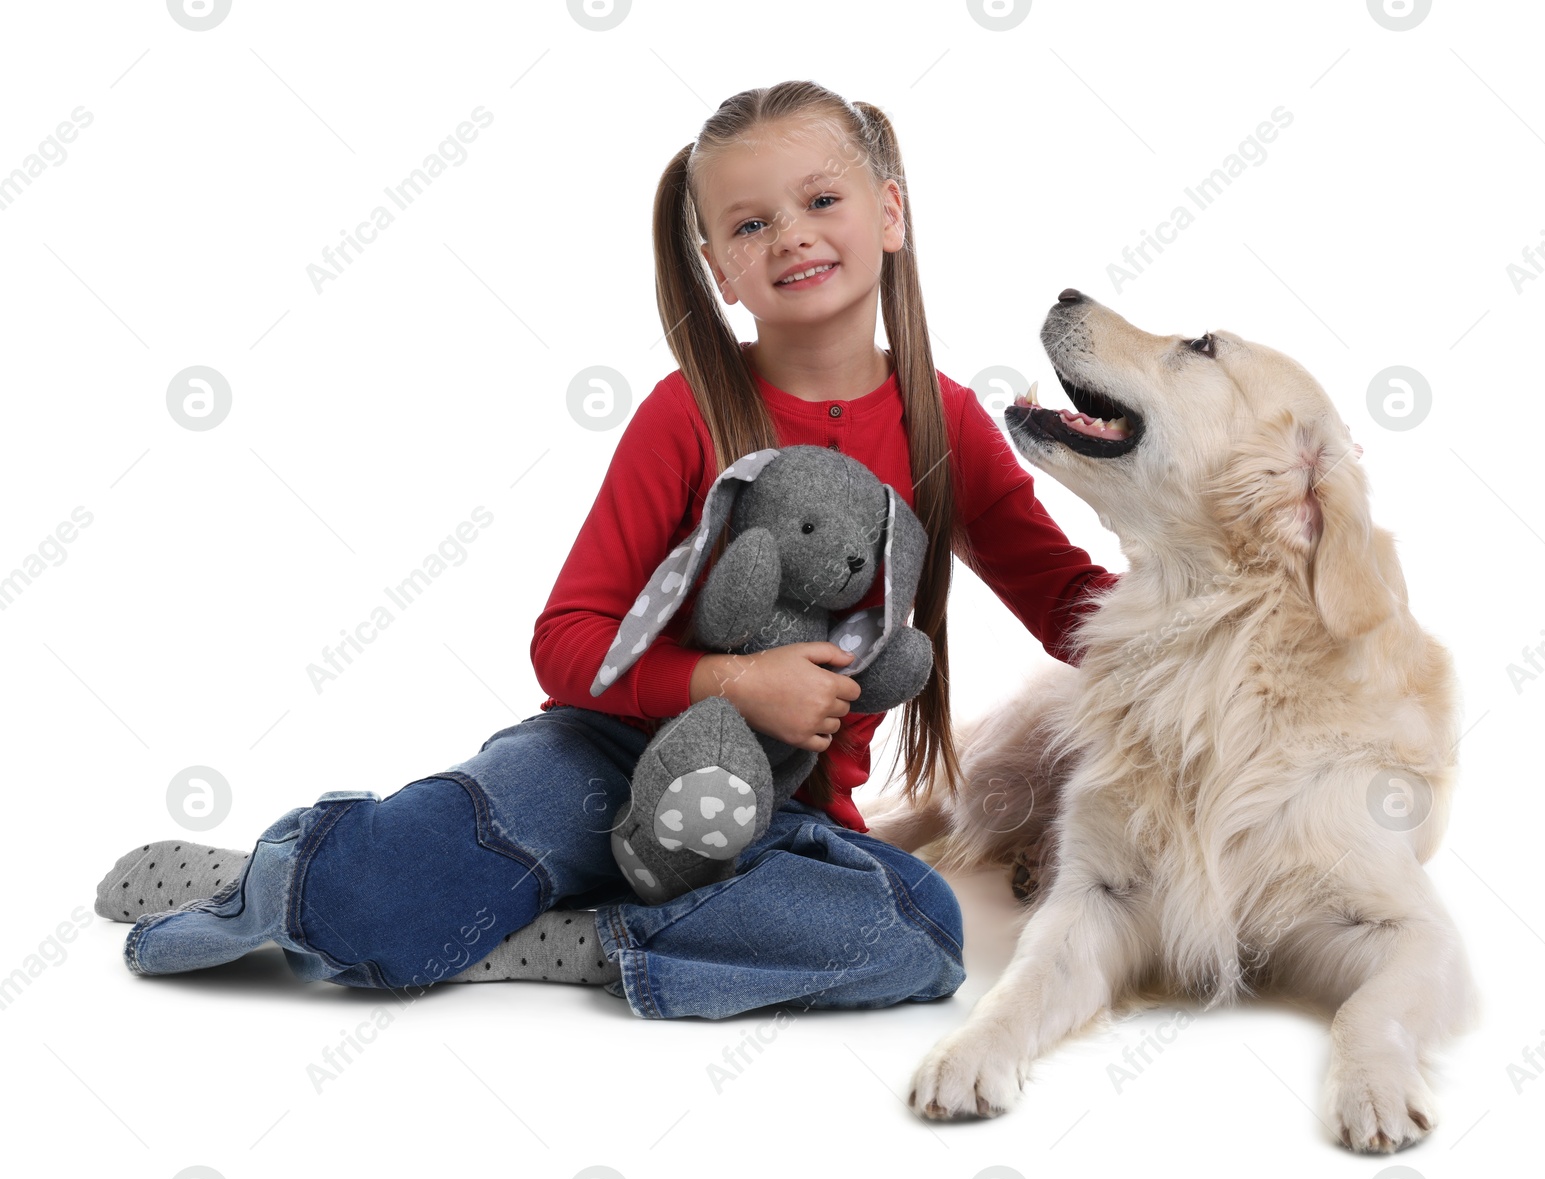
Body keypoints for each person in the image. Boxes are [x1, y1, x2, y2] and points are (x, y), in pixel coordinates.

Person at [92, 80, 1117, 1021]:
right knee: (377, 920)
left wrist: (1239, 597)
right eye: (750, 223)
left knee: (919, 936)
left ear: (890, 212)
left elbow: (1070, 602)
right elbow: (566, 640)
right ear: (720, 267)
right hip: (601, 759)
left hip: (771, 813)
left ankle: (574, 934)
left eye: (821, 202)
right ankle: (279, 874)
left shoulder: (942, 421)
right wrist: (730, 679)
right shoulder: (688, 412)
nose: (791, 237)